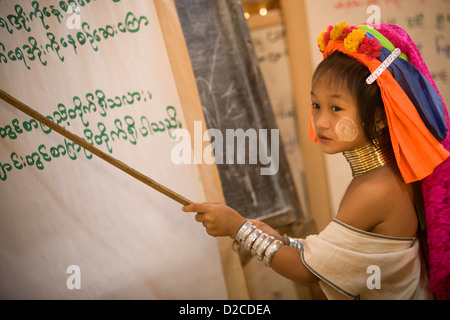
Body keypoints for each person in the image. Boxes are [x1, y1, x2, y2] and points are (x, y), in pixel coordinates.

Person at [182, 22, 450, 300]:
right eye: (316, 105)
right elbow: (337, 253)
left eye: (336, 108)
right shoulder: (383, 175)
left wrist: (238, 229)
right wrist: (280, 240)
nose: (321, 121)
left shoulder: (375, 190)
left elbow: (309, 272)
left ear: (380, 116)